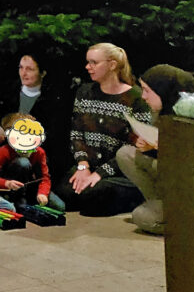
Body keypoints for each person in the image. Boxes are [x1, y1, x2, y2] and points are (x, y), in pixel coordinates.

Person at [55, 43, 150, 216]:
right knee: (65, 194)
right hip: (89, 165)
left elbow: (134, 147)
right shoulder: (84, 92)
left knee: (95, 196)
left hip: (119, 171)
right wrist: (83, 166)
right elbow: (76, 133)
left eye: (93, 62)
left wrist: (99, 173)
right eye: (87, 62)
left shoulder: (136, 98)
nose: (87, 67)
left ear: (112, 65)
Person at [116, 64, 194, 234]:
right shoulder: (160, 110)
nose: (144, 96)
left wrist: (158, 148)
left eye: (147, 91)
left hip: (192, 191)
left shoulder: (189, 114)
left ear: (163, 91)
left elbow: (188, 166)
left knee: (141, 216)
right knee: (126, 154)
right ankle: (159, 204)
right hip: (171, 183)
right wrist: (148, 147)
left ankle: (188, 225)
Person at [2, 54, 73, 183]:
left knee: (23, 163)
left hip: (34, 150)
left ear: (42, 73)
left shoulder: (52, 99)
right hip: (6, 144)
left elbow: (54, 135)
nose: (24, 73)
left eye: (30, 69)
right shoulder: (10, 93)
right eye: (21, 68)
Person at [0, 113, 65, 211]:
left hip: (30, 186)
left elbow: (44, 177)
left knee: (59, 206)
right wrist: (6, 183)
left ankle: (27, 200)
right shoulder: (4, 151)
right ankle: (17, 200)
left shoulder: (39, 152)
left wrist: (42, 193)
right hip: (10, 188)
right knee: (23, 162)